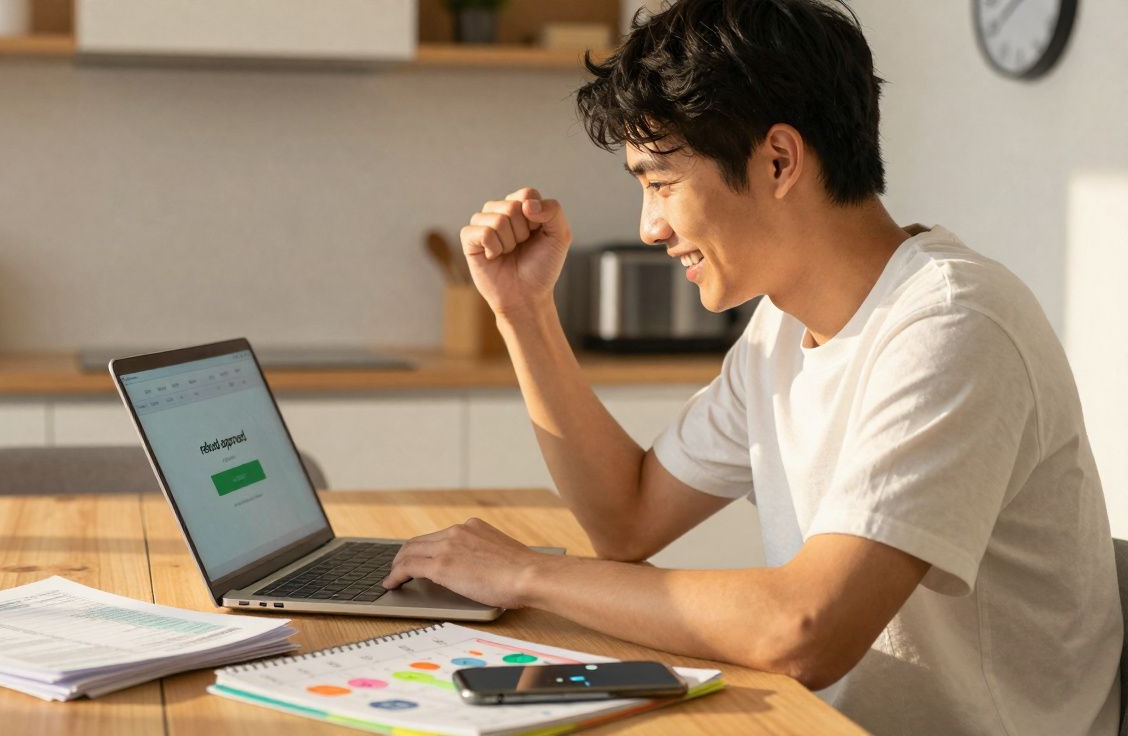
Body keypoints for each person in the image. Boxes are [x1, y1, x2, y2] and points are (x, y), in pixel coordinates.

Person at [380, 0, 1122, 733]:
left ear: (777, 160)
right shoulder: (781, 327)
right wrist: (522, 311)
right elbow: (626, 517)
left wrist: (525, 572)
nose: (650, 226)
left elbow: (806, 629)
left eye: (661, 182)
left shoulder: (954, 325)